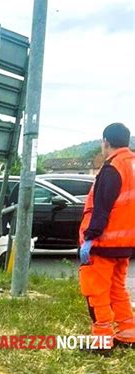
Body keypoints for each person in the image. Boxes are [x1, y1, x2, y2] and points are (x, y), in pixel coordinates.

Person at [79, 122, 135, 349]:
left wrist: (89, 238)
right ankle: (128, 334)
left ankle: (102, 342)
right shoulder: (132, 165)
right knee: (117, 289)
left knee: (96, 292)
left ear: (105, 142)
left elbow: (102, 208)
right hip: (126, 243)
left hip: (104, 243)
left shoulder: (112, 168)